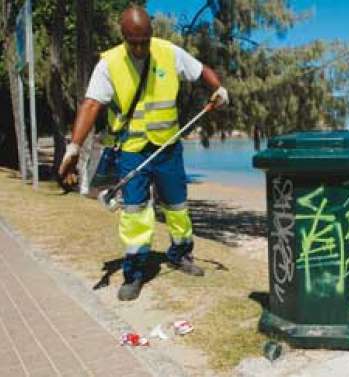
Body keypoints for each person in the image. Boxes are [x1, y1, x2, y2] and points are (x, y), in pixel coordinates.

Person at [58, 5, 228, 301]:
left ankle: (180, 255)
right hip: (132, 151)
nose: (139, 48)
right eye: (132, 41)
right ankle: (134, 273)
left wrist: (219, 89)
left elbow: (201, 71)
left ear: (151, 34)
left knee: (177, 207)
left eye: (144, 40)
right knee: (135, 212)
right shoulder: (109, 64)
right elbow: (91, 105)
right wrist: (73, 148)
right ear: (123, 37)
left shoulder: (168, 52)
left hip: (167, 148)